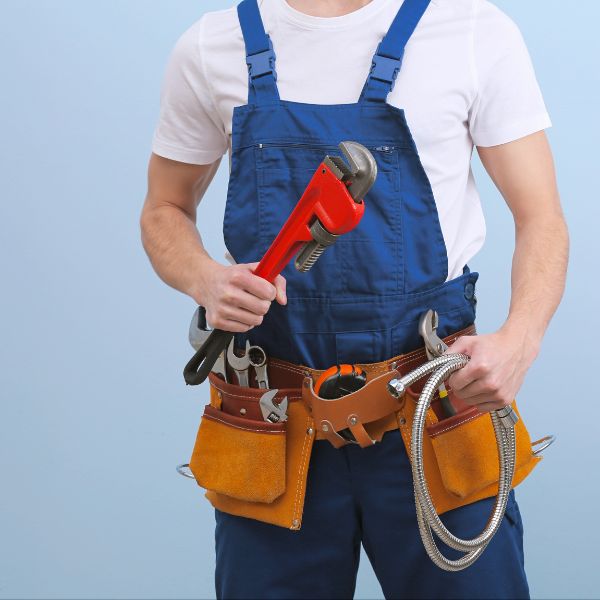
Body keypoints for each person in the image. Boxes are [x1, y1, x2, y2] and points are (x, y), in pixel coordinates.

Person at [141, 0, 569, 597]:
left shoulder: (472, 30)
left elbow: (542, 216)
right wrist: (204, 278)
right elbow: (164, 208)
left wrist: (521, 340)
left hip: (434, 413)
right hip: (275, 424)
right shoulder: (211, 46)